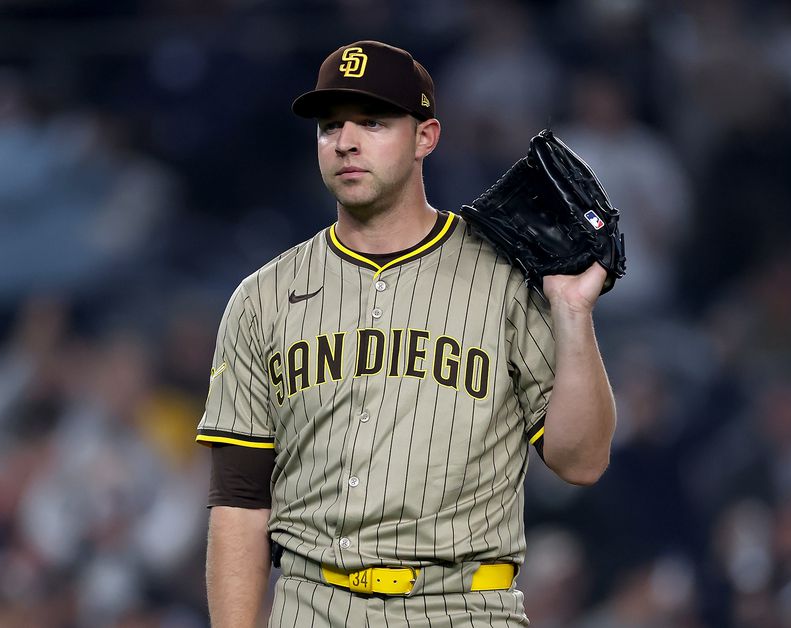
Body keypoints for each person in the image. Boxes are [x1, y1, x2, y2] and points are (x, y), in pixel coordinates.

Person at [195, 40, 617, 627]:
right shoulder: (262, 298)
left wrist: (573, 314)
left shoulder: (505, 279)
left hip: (466, 607)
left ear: (426, 137)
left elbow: (583, 460)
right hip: (313, 607)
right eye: (329, 126)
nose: (345, 141)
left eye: (373, 122)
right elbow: (240, 501)